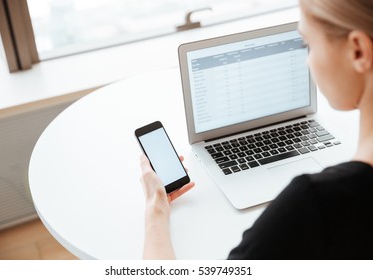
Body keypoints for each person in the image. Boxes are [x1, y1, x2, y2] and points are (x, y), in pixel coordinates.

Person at [139, 0, 373, 259]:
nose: (307, 62)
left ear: (358, 51)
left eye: (308, 44)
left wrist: (156, 210)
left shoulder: (315, 204)